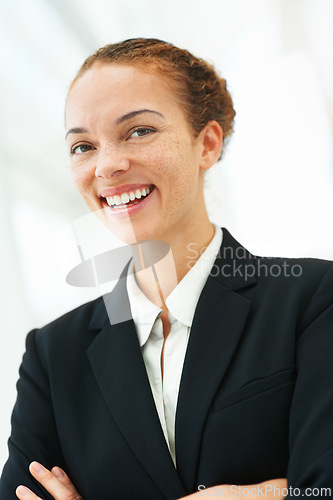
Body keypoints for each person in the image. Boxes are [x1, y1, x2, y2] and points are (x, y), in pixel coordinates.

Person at [0, 38, 332, 500]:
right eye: (82, 146)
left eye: (139, 131)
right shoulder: (53, 356)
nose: (108, 165)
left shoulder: (312, 302)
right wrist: (265, 492)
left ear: (208, 144)